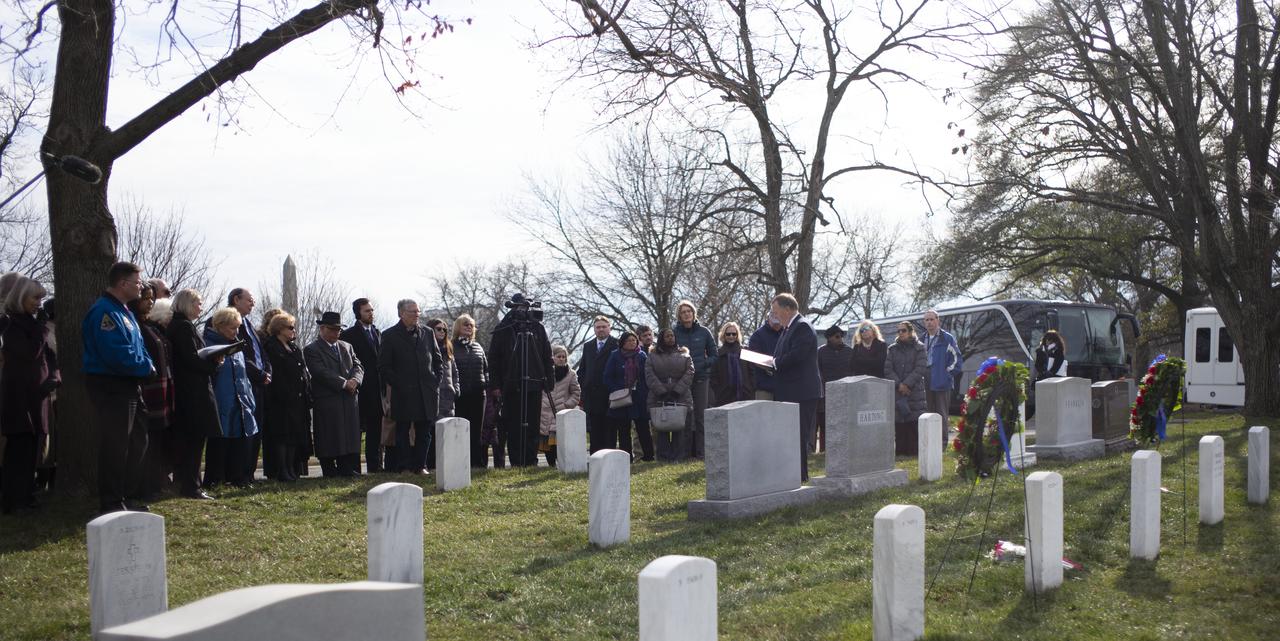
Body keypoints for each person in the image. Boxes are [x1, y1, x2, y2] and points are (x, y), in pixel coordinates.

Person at [82, 262, 155, 513]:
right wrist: (145, 367)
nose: (141, 287)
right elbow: (115, 353)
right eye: (137, 282)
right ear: (123, 284)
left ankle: (127, 495)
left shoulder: (125, 312)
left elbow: (139, 346)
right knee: (117, 444)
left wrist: (146, 364)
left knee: (137, 442)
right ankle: (112, 501)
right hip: (112, 386)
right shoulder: (105, 312)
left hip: (131, 385)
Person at [1, 277, 57, 513]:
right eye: (35, 298)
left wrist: (55, 378)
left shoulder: (34, 325)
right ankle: (14, 500)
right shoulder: (10, 324)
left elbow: (49, 358)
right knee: (19, 448)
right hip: (19, 396)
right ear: (20, 297)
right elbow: (30, 353)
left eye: (41, 298)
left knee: (34, 446)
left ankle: (27, 494)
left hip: (39, 394)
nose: (38, 303)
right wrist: (42, 329)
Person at [166, 289, 220, 500]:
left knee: (190, 441)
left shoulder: (177, 325)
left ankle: (187, 483)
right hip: (192, 391)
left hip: (186, 390)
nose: (201, 308)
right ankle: (191, 486)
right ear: (188, 304)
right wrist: (213, 363)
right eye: (198, 303)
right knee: (194, 441)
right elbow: (190, 358)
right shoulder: (184, 327)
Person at [488, 294, 554, 466]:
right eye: (519, 307)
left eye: (525, 307)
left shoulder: (537, 328)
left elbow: (547, 355)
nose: (522, 311)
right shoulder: (504, 328)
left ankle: (531, 459)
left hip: (534, 383)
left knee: (532, 423)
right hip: (510, 384)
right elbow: (493, 359)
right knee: (514, 425)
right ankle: (517, 461)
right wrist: (495, 385)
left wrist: (549, 380)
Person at [379, 299, 441, 474]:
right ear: (401, 313)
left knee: (424, 432)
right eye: (413, 312)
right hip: (403, 393)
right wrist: (399, 385)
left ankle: (421, 465)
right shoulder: (389, 335)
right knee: (403, 431)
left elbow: (437, 361)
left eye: (418, 311)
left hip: (426, 392)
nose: (417, 315)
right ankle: (405, 466)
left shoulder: (428, 333)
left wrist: (435, 382)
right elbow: (384, 366)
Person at [769, 293, 822, 482]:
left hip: (802, 391)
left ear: (788, 308)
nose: (775, 316)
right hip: (790, 389)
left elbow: (797, 356)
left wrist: (774, 363)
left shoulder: (802, 327)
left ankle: (800, 476)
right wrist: (771, 363)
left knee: (798, 436)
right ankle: (790, 474)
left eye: (776, 312)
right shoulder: (787, 329)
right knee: (789, 435)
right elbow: (782, 355)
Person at [129, 283, 174, 499]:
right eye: (145, 298)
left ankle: (157, 481)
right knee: (145, 440)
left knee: (157, 439)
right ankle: (144, 485)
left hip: (161, 388)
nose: (149, 302)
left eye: (150, 298)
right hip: (148, 388)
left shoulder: (150, 327)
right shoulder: (134, 324)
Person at [204, 307, 258, 488]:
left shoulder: (237, 347)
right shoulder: (209, 345)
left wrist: (249, 399)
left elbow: (243, 375)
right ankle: (215, 478)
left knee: (240, 441)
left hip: (241, 401)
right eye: (231, 328)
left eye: (237, 328)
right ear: (220, 326)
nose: (235, 332)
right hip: (222, 400)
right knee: (219, 441)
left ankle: (238, 477)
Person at [304, 312, 364, 477]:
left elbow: (358, 366)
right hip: (328, 399)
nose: (336, 333)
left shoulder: (346, 346)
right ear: (322, 329)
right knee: (329, 434)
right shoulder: (312, 349)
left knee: (348, 434)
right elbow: (320, 372)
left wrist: (355, 381)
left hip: (349, 398)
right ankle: (329, 469)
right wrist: (344, 383)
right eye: (332, 329)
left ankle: (347, 468)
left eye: (338, 329)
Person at [263, 312, 312, 482]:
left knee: (294, 436)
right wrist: (285, 392)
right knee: (282, 435)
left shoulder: (294, 348)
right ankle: (282, 469)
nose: (293, 330)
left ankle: (291, 467)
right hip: (281, 399)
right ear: (279, 328)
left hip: (297, 399)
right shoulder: (271, 347)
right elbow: (276, 372)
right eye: (290, 327)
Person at [228, 288, 270, 481]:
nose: (253, 304)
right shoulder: (228, 321)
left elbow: (260, 353)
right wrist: (259, 374)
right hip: (244, 383)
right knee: (245, 430)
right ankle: (239, 474)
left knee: (257, 430)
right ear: (236, 299)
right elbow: (241, 354)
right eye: (249, 300)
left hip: (260, 384)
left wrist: (267, 371)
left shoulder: (249, 324)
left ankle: (249, 474)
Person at [340, 298, 384, 473]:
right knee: (356, 429)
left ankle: (375, 465)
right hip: (359, 389)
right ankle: (354, 467)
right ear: (358, 313)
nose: (371, 313)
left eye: (372, 310)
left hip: (377, 389)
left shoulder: (377, 333)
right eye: (367, 311)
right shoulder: (349, 335)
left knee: (376, 429)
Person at [673, 301, 716, 459]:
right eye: (683, 312)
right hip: (681, 381)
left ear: (693, 313)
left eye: (689, 311)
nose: (686, 314)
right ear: (679, 315)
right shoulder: (674, 332)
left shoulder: (704, 332)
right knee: (684, 417)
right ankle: (684, 454)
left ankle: (702, 453)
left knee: (700, 417)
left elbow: (714, 354)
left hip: (701, 379)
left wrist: (704, 364)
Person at [645, 328, 693, 462]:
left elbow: (690, 373)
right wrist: (661, 391)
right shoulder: (652, 356)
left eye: (672, 336)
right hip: (658, 396)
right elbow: (649, 374)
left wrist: (678, 390)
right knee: (662, 428)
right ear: (661, 338)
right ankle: (663, 457)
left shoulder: (685, 355)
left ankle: (679, 457)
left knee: (680, 428)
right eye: (667, 336)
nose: (670, 338)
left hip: (681, 395)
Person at [452, 314, 490, 469]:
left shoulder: (478, 347)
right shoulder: (451, 346)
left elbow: (486, 369)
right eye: (465, 324)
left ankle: (476, 462)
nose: (469, 327)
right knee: (460, 430)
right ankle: (460, 463)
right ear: (458, 327)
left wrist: (485, 384)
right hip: (460, 395)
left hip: (478, 395)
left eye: (471, 325)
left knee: (476, 431)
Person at [601, 330, 648, 457]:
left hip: (639, 396)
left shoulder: (642, 356)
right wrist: (619, 389)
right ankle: (626, 457)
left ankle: (648, 456)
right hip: (622, 397)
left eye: (634, 340)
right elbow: (607, 377)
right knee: (623, 429)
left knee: (643, 427)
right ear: (622, 342)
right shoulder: (615, 355)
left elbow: (647, 377)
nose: (632, 343)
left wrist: (644, 392)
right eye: (628, 340)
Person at [577, 316, 618, 453]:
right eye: (598, 327)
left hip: (608, 394)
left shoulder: (616, 344)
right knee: (594, 430)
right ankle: (595, 458)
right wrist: (583, 386)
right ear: (594, 329)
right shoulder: (588, 346)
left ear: (609, 328)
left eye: (603, 327)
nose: (601, 329)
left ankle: (610, 457)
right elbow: (583, 369)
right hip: (591, 396)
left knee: (609, 429)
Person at [886, 321, 928, 456]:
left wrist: (907, 384)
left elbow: (920, 368)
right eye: (898, 331)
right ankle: (900, 452)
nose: (900, 333)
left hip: (914, 391)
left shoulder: (919, 348)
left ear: (910, 332)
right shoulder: (892, 349)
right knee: (900, 423)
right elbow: (888, 369)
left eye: (903, 330)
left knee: (913, 422)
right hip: (898, 391)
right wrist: (899, 385)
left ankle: (914, 452)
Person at [922, 309, 962, 447]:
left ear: (937, 320)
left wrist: (946, 375)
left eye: (932, 319)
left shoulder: (947, 338)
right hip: (925, 379)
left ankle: (942, 443)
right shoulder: (921, 339)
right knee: (927, 413)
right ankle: (930, 443)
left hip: (941, 380)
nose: (929, 322)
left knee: (941, 414)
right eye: (926, 320)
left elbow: (956, 360)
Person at [425, 318, 460, 470]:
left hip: (448, 397)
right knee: (432, 431)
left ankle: (447, 465)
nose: (442, 332)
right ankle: (431, 464)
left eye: (444, 329)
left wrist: (456, 388)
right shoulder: (426, 348)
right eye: (438, 329)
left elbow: (455, 372)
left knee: (447, 431)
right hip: (433, 395)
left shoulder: (448, 349)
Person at [539, 344, 581, 467]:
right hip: (544, 412)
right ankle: (551, 465)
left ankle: (561, 465)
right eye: (559, 356)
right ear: (553, 357)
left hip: (561, 413)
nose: (561, 359)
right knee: (546, 442)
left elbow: (576, 393)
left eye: (564, 357)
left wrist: (567, 405)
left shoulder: (571, 374)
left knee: (558, 442)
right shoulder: (544, 372)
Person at [815, 324, 854, 452]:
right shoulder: (821, 351)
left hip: (845, 392)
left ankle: (843, 448)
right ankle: (825, 450)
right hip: (827, 392)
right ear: (829, 338)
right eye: (836, 336)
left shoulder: (849, 351)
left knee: (843, 423)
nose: (839, 339)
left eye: (841, 336)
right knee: (826, 423)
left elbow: (853, 372)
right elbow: (818, 371)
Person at [709, 321, 755, 407]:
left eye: (734, 334)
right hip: (724, 396)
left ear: (737, 335)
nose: (731, 336)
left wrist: (751, 388)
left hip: (746, 395)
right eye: (728, 334)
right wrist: (718, 391)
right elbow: (713, 376)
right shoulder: (718, 354)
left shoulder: (746, 352)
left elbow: (752, 372)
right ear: (724, 335)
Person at [747, 313, 784, 400]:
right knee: (764, 413)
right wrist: (773, 365)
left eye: (778, 313)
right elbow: (753, 357)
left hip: (785, 387)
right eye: (773, 313)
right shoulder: (757, 335)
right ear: (768, 317)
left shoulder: (787, 333)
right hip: (764, 387)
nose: (776, 316)